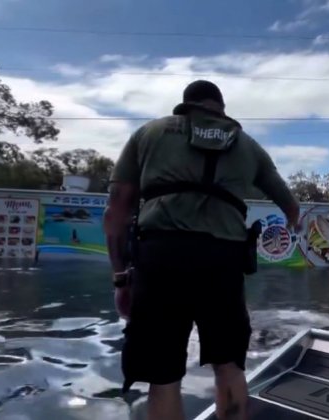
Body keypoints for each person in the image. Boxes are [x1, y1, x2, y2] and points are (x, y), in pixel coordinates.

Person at [103, 80, 300, 420]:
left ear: (186, 104)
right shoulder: (247, 146)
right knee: (229, 366)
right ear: (221, 108)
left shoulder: (149, 134)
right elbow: (291, 209)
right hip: (222, 262)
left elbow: (117, 209)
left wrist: (121, 279)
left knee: (163, 377)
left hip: (160, 259)